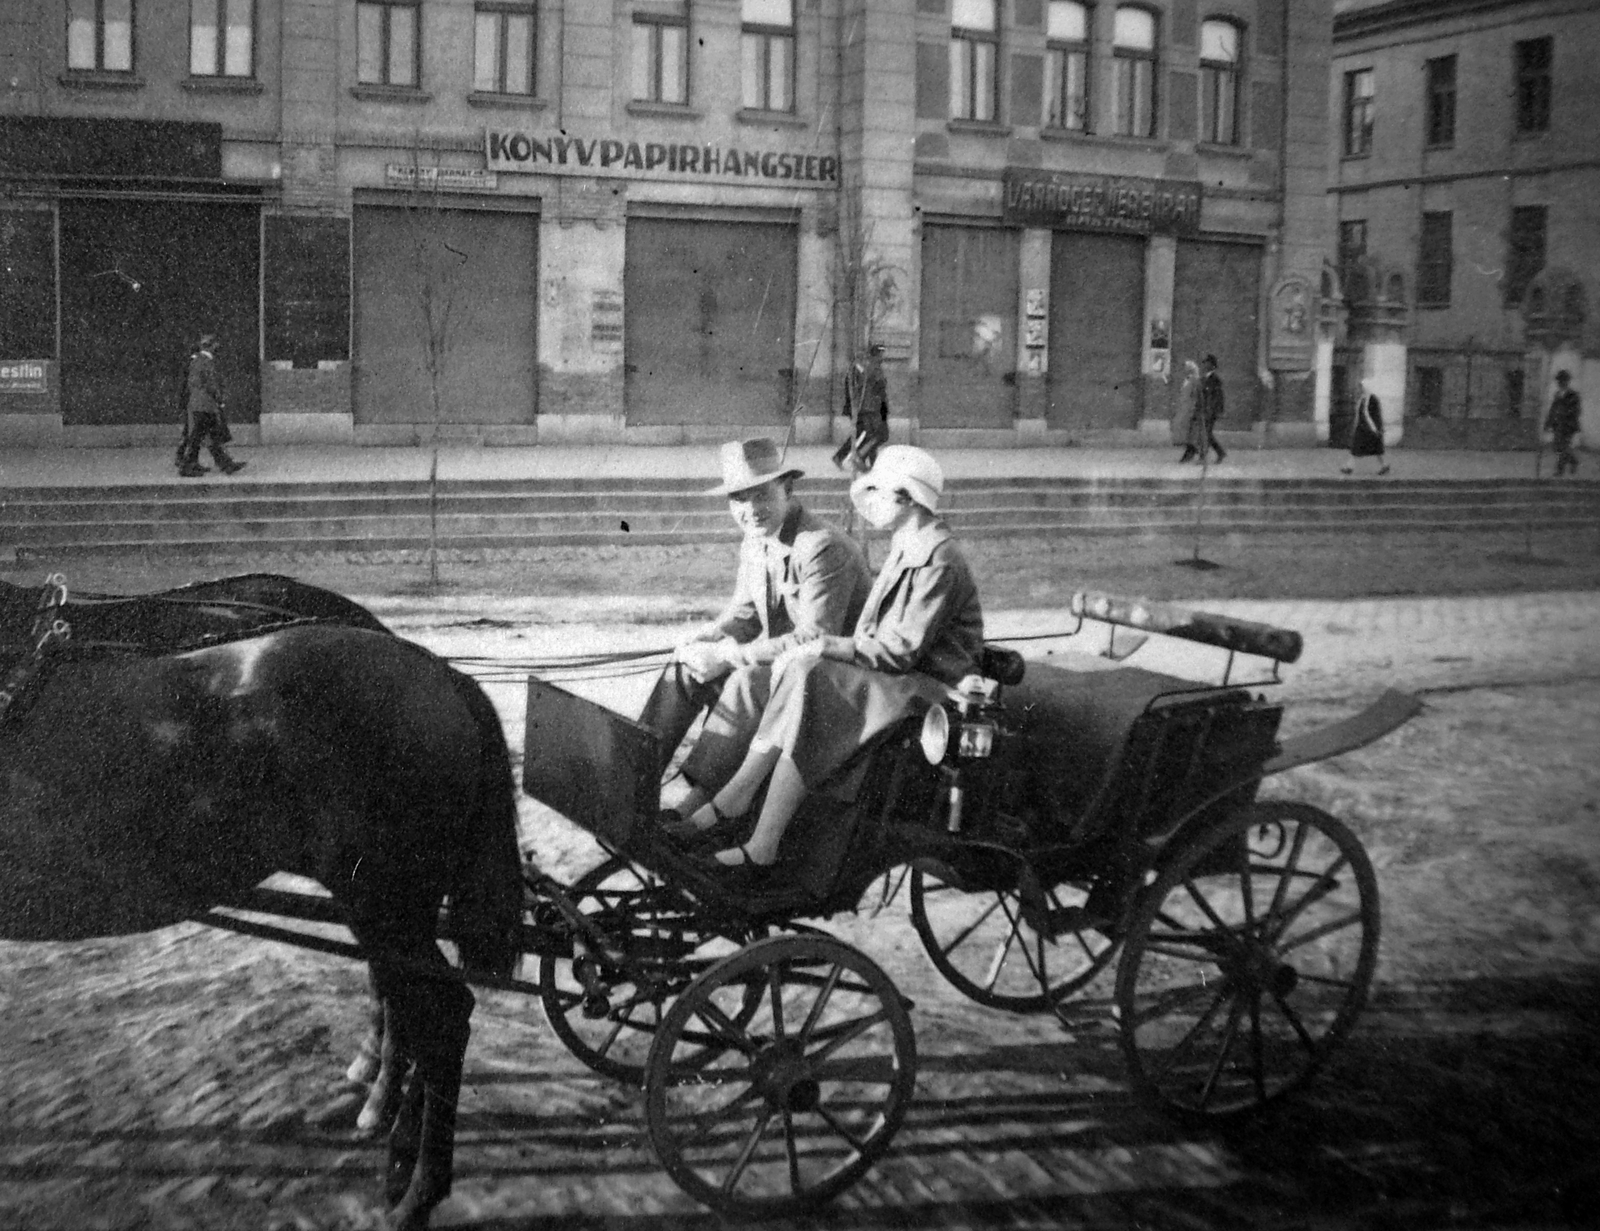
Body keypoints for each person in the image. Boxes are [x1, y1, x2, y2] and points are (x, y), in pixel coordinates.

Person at [668, 445, 985, 882]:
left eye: (877, 492)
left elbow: (899, 651)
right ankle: (737, 806)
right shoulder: (910, 544)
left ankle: (757, 836)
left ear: (907, 497)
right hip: (896, 678)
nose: (868, 501)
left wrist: (825, 648)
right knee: (801, 670)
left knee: (810, 671)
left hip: (929, 692)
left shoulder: (938, 558)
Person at [642, 437, 871, 817]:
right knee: (686, 669)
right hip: (789, 672)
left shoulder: (821, 546)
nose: (751, 510)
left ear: (788, 489)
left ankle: (698, 809)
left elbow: (813, 638)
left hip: (832, 682)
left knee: (746, 682)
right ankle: (636, 780)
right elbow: (746, 616)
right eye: (739, 499)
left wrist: (731, 656)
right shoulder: (756, 543)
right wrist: (711, 637)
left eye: (761, 495)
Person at [177, 333, 246, 478]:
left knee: (207, 436)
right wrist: (219, 399)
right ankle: (189, 466)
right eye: (216, 345)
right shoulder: (207, 362)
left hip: (197, 404)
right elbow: (211, 384)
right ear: (213, 346)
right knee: (201, 436)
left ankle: (223, 464)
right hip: (205, 405)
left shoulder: (196, 360)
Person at [831, 343, 890, 475]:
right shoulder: (865, 368)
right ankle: (859, 458)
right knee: (875, 435)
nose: (883, 356)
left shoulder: (865, 368)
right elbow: (863, 389)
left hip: (867, 408)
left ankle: (846, 458)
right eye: (882, 353)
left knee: (864, 434)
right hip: (868, 408)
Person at [1341, 377, 1390, 476]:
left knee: (1374, 449)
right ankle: (1350, 467)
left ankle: (1384, 465)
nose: (1360, 388)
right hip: (1363, 428)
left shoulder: (1372, 399)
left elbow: (1374, 415)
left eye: (1362, 386)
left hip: (1369, 429)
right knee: (1357, 447)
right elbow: (1359, 414)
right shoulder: (1363, 398)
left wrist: (1376, 429)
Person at [1545, 369, 1582, 477]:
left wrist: (1565, 415)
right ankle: (1574, 461)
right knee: (1558, 447)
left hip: (1568, 426)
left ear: (1567, 381)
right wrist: (1547, 424)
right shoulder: (1557, 394)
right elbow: (1552, 410)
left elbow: (1576, 410)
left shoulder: (1573, 395)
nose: (1561, 383)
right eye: (1559, 381)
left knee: (1564, 447)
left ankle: (1559, 471)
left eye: (1563, 380)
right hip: (1557, 426)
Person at [1194, 354, 1226, 464]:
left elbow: (1218, 397)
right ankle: (1220, 453)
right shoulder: (1204, 379)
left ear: (1212, 366)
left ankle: (1203, 457)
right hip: (1204, 411)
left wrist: (1215, 411)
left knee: (1205, 434)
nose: (1204, 365)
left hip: (1210, 412)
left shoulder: (1215, 380)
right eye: (1204, 363)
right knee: (1207, 434)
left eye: (1207, 363)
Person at [1175, 358, 1204, 462]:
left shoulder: (1195, 380)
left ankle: (1192, 452)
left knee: (1192, 433)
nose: (1184, 369)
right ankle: (1193, 451)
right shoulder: (1186, 380)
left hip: (1191, 409)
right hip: (1185, 409)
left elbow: (1196, 395)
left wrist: (1194, 408)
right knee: (1187, 432)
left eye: (1186, 368)